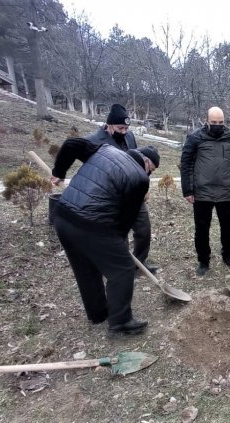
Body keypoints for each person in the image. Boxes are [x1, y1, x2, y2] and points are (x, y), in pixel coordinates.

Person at [50, 138, 159, 336]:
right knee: (123, 269)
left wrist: (59, 172)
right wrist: (118, 244)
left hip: (63, 215)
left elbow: (71, 144)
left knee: (86, 267)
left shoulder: (106, 150)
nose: (150, 173)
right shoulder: (140, 178)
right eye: (152, 169)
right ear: (146, 163)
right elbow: (126, 220)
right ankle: (120, 322)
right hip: (92, 223)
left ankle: (98, 313)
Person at [85, 103, 157, 275]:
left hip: (133, 195)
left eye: (126, 128)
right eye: (120, 128)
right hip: (112, 198)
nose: (124, 131)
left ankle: (139, 264)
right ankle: (122, 268)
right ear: (109, 125)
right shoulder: (93, 142)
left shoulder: (130, 137)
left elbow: (139, 162)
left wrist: (144, 183)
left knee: (144, 229)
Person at [180, 106, 230, 276]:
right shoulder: (195, 138)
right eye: (214, 122)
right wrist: (188, 190)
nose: (218, 125)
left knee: (227, 228)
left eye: (221, 122)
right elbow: (186, 164)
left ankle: (228, 255)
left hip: (225, 192)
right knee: (201, 229)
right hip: (202, 192)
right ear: (206, 120)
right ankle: (203, 260)